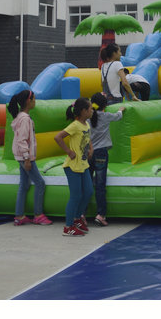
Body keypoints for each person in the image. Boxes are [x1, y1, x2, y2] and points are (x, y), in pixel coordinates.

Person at [9, 90, 52, 226]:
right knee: (40, 183)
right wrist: (27, 158)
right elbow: (22, 140)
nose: (35, 101)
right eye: (34, 99)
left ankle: (19, 215)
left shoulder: (21, 117)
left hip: (21, 156)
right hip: (25, 157)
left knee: (24, 184)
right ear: (28, 101)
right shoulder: (25, 119)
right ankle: (38, 215)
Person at [55, 97, 95, 236]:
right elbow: (58, 137)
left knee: (88, 192)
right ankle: (68, 227)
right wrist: (68, 151)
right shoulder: (75, 125)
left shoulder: (86, 124)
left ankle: (77, 218)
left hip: (83, 165)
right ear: (83, 111)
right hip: (72, 166)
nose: (92, 110)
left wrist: (90, 148)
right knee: (76, 196)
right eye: (90, 108)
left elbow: (87, 138)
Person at [88, 91, 124, 226]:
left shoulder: (87, 118)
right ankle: (100, 214)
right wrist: (121, 110)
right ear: (105, 105)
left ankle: (81, 214)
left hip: (88, 152)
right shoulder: (105, 116)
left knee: (87, 182)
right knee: (100, 184)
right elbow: (118, 116)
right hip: (101, 153)